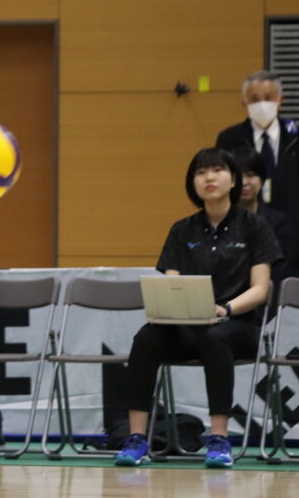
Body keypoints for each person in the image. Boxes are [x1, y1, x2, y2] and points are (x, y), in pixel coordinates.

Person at [114, 148, 280, 469]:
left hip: (238, 326)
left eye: (217, 170)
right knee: (146, 338)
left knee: (215, 338)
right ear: (193, 183)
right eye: (201, 173)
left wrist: (225, 309)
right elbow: (172, 282)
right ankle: (136, 438)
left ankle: (218, 439)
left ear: (233, 179)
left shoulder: (254, 227)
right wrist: (174, 307)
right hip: (188, 326)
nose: (209, 178)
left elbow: (260, 289)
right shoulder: (181, 230)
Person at [216, 70, 299, 284]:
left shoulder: (295, 136)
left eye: (268, 98)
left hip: (292, 227)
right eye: (254, 99)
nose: (262, 104)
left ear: (280, 100)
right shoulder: (229, 138)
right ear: (244, 102)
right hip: (245, 229)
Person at [232, 147, 295, 283]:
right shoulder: (220, 221)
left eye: (250, 175)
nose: (244, 182)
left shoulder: (279, 222)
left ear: (261, 180)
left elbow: (280, 269)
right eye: (238, 176)